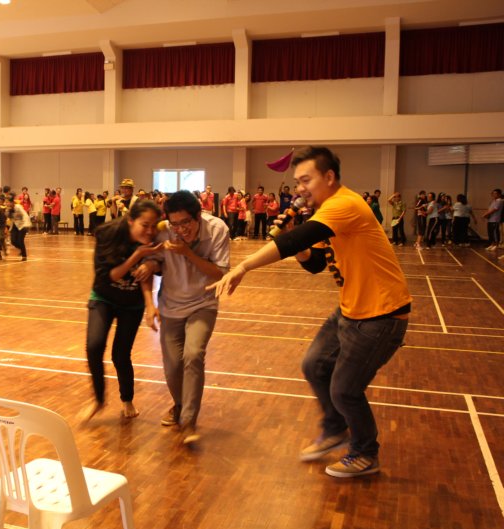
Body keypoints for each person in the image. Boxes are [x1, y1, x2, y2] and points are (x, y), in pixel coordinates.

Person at [209, 147, 411, 478]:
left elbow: (291, 243)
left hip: (382, 314)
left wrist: (244, 265)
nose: (300, 188)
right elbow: (315, 263)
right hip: (352, 309)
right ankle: (335, 429)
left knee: (345, 390)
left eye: (306, 180)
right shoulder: (326, 211)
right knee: (315, 365)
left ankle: (365, 453)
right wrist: (299, 245)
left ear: (329, 177)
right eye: (297, 181)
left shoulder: (344, 205)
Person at [143, 190, 230, 445]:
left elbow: (219, 273)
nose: (181, 230)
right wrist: (149, 266)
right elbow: (156, 262)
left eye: (186, 223)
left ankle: (189, 421)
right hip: (170, 306)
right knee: (172, 366)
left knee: (193, 354)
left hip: (203, 303)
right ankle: (180, 405)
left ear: (198, 215)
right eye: (175, 224)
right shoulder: (163, 231)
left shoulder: (217, 229)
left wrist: (188, 253)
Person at [83, 200, 163, 421]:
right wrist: (137, 256)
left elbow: (148, 275)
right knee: (94, 346)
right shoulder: (107, 234)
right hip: (104, 296)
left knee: (120, 354)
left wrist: (150, 305)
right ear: (130, 221)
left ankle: (127, 399)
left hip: (132, 303)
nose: (150, 231)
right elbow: (108, 277)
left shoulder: (153, 239)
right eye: (144, 225)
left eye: (153, 226)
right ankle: (99, 400)